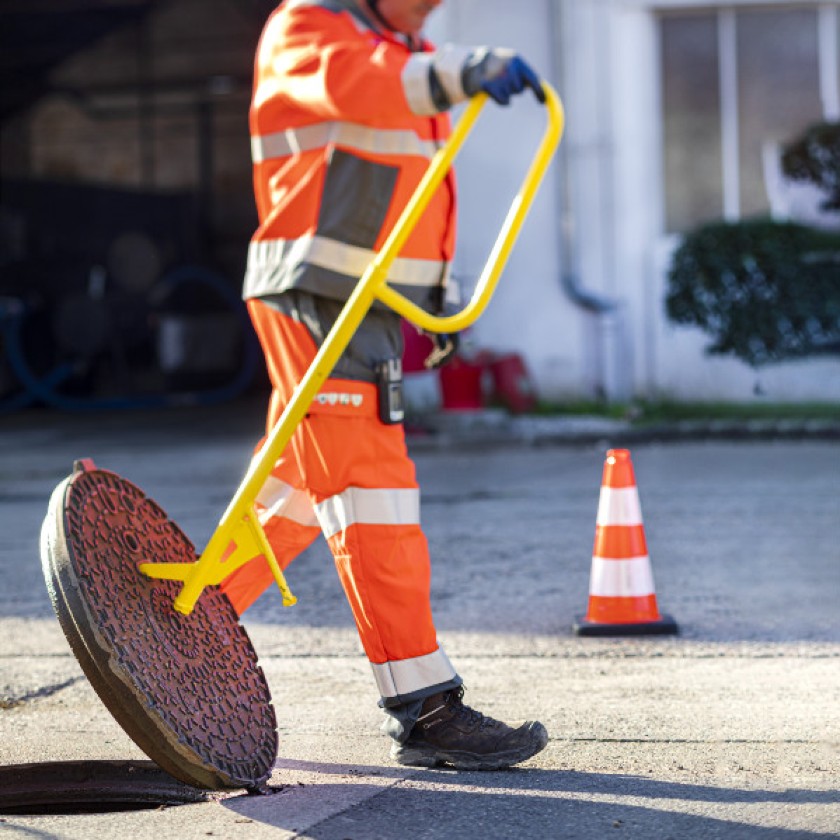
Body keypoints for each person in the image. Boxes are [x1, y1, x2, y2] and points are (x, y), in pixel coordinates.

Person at [221, 0, 548, 770]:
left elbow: (416, 194)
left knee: (302, 485)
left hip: (363, 299)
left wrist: (436, 303)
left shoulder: (404, 49)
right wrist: (460, 69)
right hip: (314, 291)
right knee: (372, 489)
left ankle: (186, 620)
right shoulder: (312, 28)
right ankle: (425, 710)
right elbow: (360, 87)